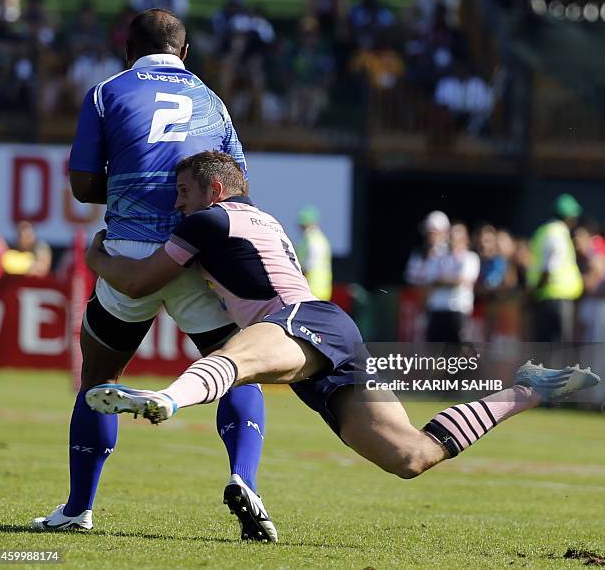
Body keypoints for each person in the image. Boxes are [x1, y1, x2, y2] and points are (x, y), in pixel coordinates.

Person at [84, 151, 598, 508]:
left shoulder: (208, 221)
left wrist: (96, 253)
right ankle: (526, 392)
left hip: (296, 321)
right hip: (330, 327)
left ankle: (167, 401)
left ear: (215, 190)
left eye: (183, 192)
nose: (177, 204)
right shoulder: (258, 219)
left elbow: (135, 283)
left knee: (238, 360)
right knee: (412, 456)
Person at [32, 9, 275, 542]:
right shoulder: (213, 100)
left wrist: (125, 190)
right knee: (237, 366)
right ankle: (244, 477)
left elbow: (81, 184)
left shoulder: (106, 92)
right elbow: (237, 186)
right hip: (200, 250)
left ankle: (78, 508)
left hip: (131, 250)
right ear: (184, 54)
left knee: (99, 376)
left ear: (127, 50)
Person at [527, 194, 584, 342]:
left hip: (549, 298)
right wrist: (536, 291)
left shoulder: (547, 231)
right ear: (570, 217)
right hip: (555, 301)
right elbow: (549, 266)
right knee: (557, 350)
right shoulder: (556, 233)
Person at [425, 222, 480, 343]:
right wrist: (450, 279)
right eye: (451, 235)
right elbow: (430, 280)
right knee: (436, 352)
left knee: (457, 351)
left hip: (458, 310)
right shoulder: (438, 256)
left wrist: (442, 279)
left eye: (457, 235)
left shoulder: (471, 257)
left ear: (465, 238)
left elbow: (461, 279)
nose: (453, 239)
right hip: (437, 309)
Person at [296, 205, 332, 301]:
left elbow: (309, 265)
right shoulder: (317, 238)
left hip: (312, 289)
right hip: (320, 289)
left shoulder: (312, 240)